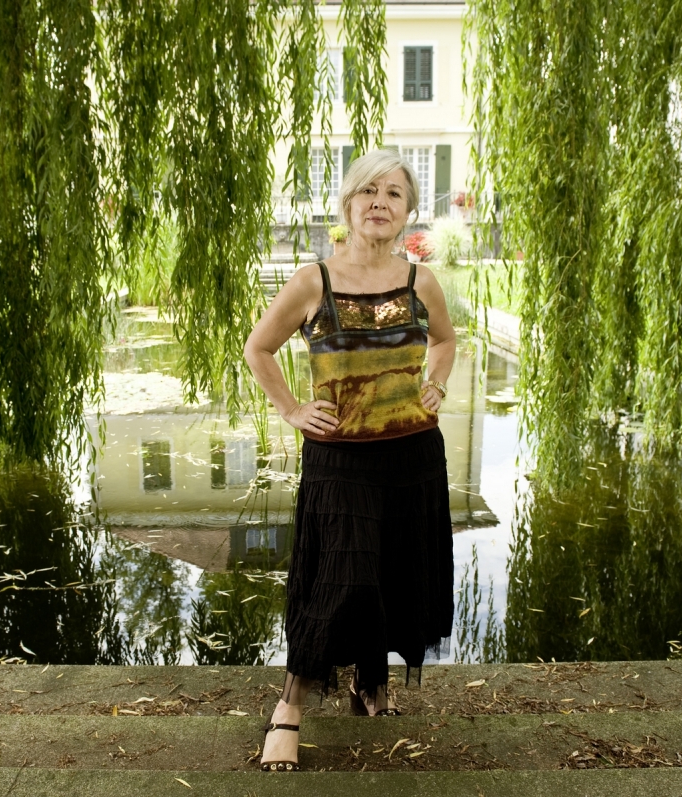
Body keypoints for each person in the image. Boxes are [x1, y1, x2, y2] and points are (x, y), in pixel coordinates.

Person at [243, 148, 457, 772]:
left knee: (393, 570)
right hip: (340, 461)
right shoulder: (316, 280)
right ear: (348, 204)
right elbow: (259, 349)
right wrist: (289, 409)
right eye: (368, 192)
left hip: (412, 455)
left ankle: (370, 682)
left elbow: (444, 340)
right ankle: (289, 709)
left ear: (408, 210)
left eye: (393, 194)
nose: (380, 204)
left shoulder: (421, 282)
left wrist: (436, 385)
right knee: (337, 579)